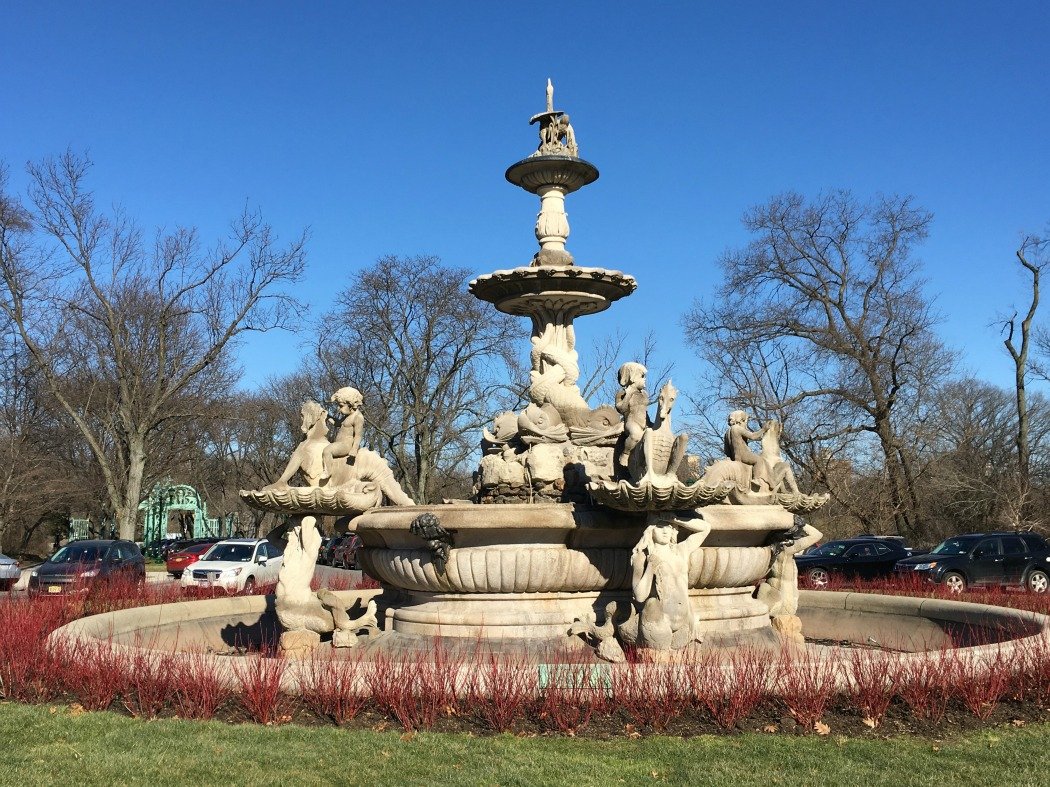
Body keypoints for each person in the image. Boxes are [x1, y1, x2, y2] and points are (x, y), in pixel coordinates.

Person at [319, 387, 365, 482]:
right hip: (340, 443)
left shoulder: (358, 417)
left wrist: (354, 449)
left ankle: (328, 472)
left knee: (327, 450)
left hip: (346, 445)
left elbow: (358, 435)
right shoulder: (347, 417)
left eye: (340, 406)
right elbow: (337, 423)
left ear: (350, 404)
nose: (339, 409)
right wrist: (327, 416)